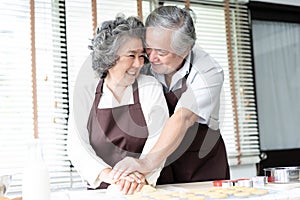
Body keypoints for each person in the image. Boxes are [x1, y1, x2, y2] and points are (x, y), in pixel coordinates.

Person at [110, 6, 230, 185]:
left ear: (185, 49)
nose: (151, 57)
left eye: (162, 52)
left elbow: (183, 118)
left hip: (200, 163)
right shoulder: (143, 64)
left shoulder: (208, 72)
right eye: (148, 48)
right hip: (160, 163)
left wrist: (145, 163)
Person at [67, 15, 169, 194]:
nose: (138, 64)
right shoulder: (86, 90)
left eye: (141, 56)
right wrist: (114, 177)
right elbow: (77, 146)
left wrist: (140, 177)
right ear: (110, 57)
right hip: (101, 190)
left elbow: (159, 140)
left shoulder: (149, 87)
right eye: (131, 55)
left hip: (141, 188)